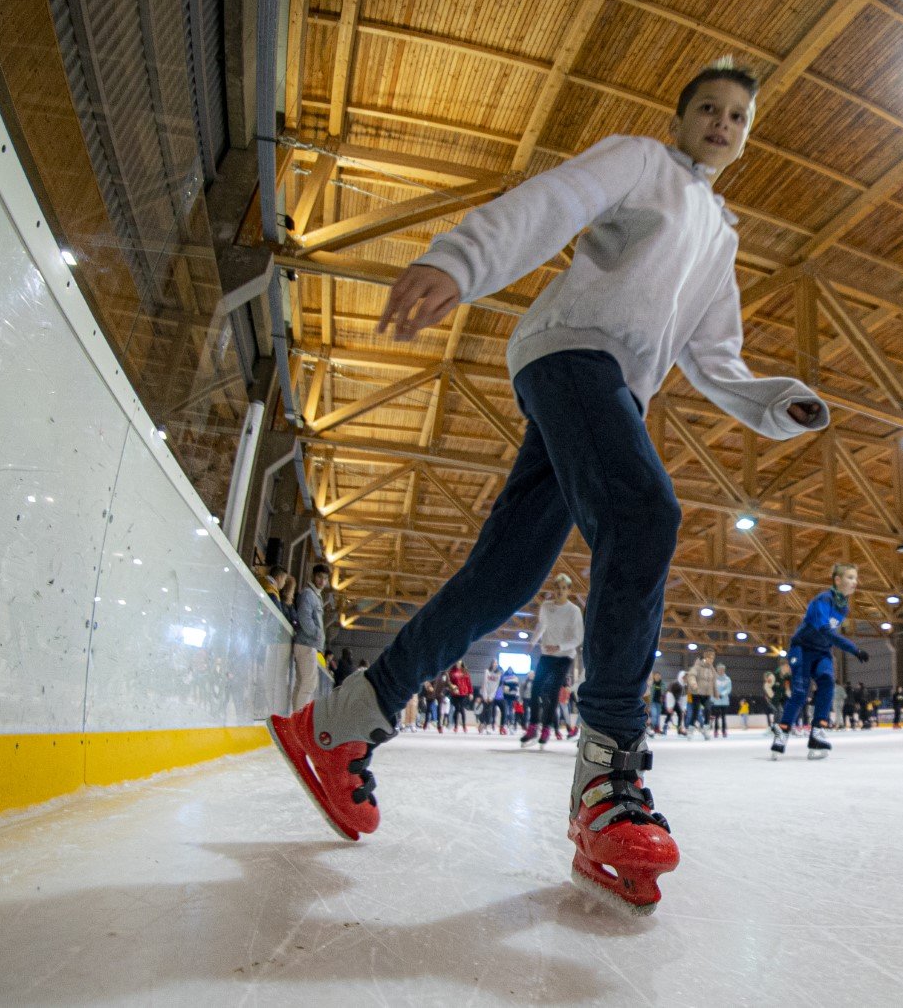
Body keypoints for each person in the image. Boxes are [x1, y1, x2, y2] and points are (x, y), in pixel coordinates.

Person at [268, 61, 828, 914]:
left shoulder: (720, 234)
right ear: (679, 121)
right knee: (644, 513)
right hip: (572, 351)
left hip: (611, 388)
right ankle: (608, 778)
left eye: (738, 116)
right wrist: (460, 262)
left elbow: (715, 355)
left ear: (748, 135)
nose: (722, 122)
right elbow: (556, 201)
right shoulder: (642, 162)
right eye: (708, 108)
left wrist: (772, 402)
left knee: (504, 578)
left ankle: (343, 719)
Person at [772, 564, 871, 759]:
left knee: (827, 683)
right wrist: (854, 649)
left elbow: (828, 637)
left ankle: (817, 732)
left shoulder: (844, 606)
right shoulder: (822, 601)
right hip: (802, 648)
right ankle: (782, 732)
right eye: (850, 577)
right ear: (837, 580)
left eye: (856, 578)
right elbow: (826, 631)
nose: (855, 582)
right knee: (800, 692)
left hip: (822, 651)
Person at [518, 574, 584, 749]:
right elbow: (542, 625)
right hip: (547, 654)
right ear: (553, 589)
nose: (560, 591)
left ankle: (546, 728)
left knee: (553, 691)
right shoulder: (546, 606)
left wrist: (560, 646)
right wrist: (532, 642)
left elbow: (578, 638)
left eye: (564, 588)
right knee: (536, 688)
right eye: (557, 587)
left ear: (569, 590)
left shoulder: (574, 611)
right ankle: (533, 727)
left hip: (565, 656)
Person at [287, 565, 330, 714]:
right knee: (308, 685)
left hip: (308, 644)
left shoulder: (315, 596)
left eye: (325, 578)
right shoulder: (308, 594)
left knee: (303, 683)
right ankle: (299, 719)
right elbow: (305, 618)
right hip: (306, 644)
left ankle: (296, 717)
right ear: (313, 576)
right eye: (319, 577)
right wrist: (318, 634)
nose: (321, 581)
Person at [684, 652, 720, 741]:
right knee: (695, 712)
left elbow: (714, 682)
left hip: (707, 693)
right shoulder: (697, 667)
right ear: (705, 658)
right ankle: (690, 730)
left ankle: (706, 729)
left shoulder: (712, 669)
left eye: (712, 658)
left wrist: (716, 693)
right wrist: (693, 684)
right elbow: (691, 676)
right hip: (696, 693)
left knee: (708, 709)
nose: (711, 660)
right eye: (709, 658)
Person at [711, 668, 732, 739]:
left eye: (722, 670)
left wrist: (722, 694)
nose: (720, 671)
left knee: (723, 717)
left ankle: (724, 731)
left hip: (724, 701)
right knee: (716, 717)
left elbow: (728, 689)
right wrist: (712, 699)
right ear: (717, 671)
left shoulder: (727, 679)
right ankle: (716, 731)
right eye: (719, 670)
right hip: (716, 701)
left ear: (724, 671)